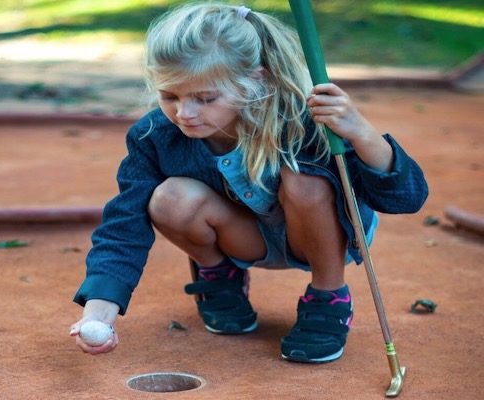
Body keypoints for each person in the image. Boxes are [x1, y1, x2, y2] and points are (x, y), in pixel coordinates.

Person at [69, 2, 428, 364]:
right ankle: (220, 276)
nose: (185, 114)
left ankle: (328, 296)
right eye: (169, 97)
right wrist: (99, 311)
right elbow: (124, 225)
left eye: (205, 98)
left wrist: (361, 131)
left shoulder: (303, 120)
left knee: (305, 179)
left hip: (319, 232)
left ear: (254, 80)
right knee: (169, 198)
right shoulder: (153, 136)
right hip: (243, 238)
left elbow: (406, 198)